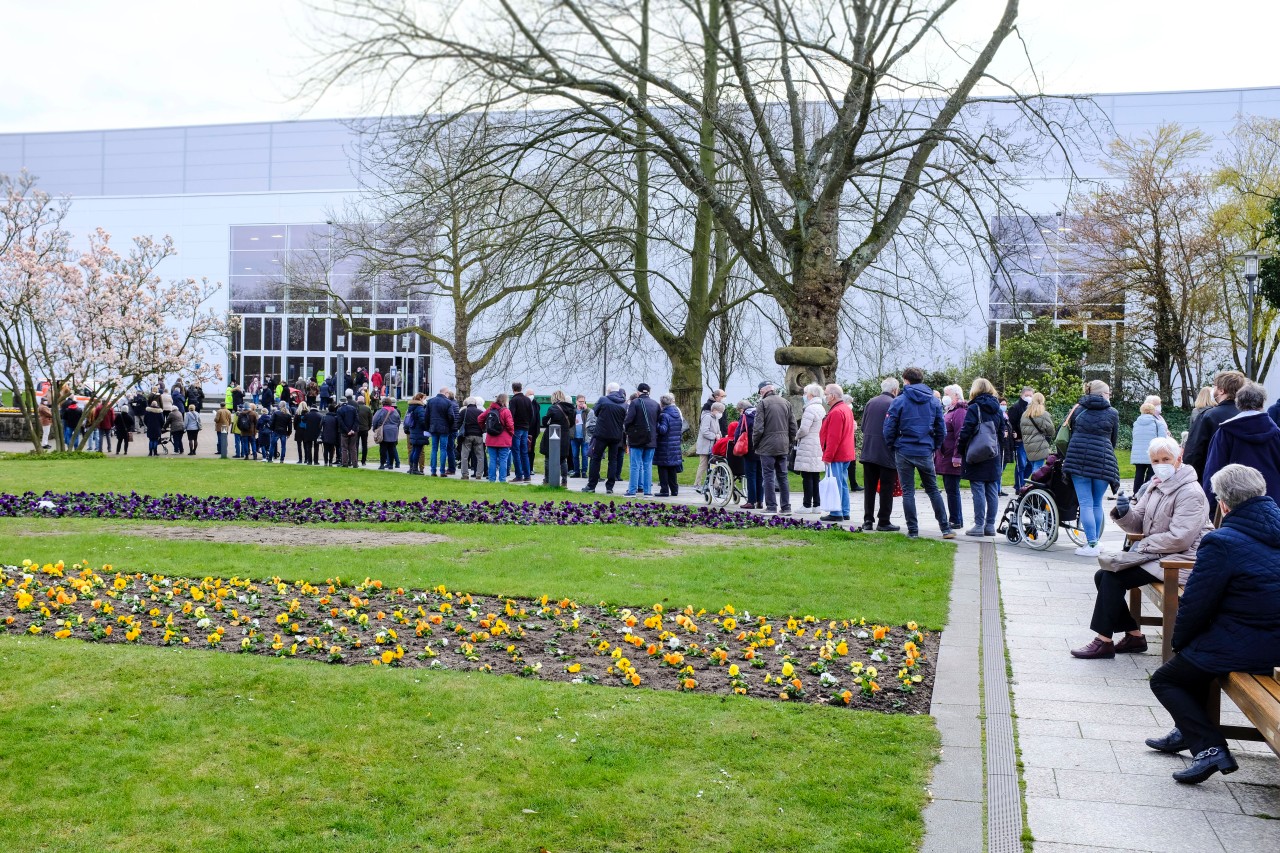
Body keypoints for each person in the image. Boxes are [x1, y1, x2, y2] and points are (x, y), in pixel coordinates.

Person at [1144, 464, 1280, 785]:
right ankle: (1187, 732)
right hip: (1270, 639)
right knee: (1199, 656)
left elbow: (1195, 604)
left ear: (1223, 504)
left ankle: (1209, 748)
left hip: (1251, 643)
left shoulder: (1222, 541)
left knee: (1166, 679)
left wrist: (1179, 642)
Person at [1070, 436, 1212, 660]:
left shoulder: (1190, 492)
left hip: (1180, 560)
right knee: (1103, 575)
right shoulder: (1156, 485)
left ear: (1179, 458)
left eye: (1166, 459)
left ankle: (1103, 641)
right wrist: (1125, 512)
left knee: (1110, 578)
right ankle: (1134, 636)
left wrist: (1143, 546)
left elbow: (1180, 539)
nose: (1161, 464)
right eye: (1156, 460)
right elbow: (1138, 522)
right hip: (1159, 554)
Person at [884, 367, 955, 540]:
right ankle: (945, 528)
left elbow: (889, 428)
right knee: (933, 490)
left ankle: (913, 531)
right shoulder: (934, 401)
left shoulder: (899, 401)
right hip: (924, 449)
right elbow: (941, 430)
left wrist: (893, 445)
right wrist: (933, 446)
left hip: (904, 449)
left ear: (906, 381)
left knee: (908, 492)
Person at [1062, 380, 1120, 557]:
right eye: (1108, 393)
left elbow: (1067, 434)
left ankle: (1092, 543)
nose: (1109, 396)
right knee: (1096, 503)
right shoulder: (1113, 413)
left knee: (1085, 503)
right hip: (1103, 460)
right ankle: (1095, 542)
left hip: (1078, 459)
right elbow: (1113, 440)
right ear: (1102, 394)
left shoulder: (1078, 409)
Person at [1202, 382, 1280, 505]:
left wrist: (1210, 507)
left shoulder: (1225, 432)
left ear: (1238, 403)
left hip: (1235, 501)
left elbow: (1213, 469)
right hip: (1273, 501)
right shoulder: (1276, 432)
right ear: (1262, 402)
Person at [957, 378, 1006, 537]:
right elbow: (1001, 433)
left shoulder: (974, 408)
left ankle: (978, 525)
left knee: (978, 489)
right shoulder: (998, 409)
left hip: (976, 453)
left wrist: (961, 448)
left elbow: (966, 431)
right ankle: (990, 525)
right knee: (992, 489)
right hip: (993, 454)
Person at [1183, 370, 1247, 483]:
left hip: (1214, 479)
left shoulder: (1208, 416)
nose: (1214, 390)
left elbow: (1194, 452)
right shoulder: (1249, 415)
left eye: (1215, 386)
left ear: (1221, 390)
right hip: (1246, 480)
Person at [859, 378, 900, 532]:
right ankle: (884, 520)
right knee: (886, 487)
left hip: (869, 450)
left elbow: (863, 426)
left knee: (869, 488)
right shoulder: (894, 403)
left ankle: (867, 520)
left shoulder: (870, 402)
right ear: (895, 390)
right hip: (886, 452)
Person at [752, 381, 796, 513]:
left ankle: (771, 506)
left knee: (768, 476)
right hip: (783, 445)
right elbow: (793, 426)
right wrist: (789, 443)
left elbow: (758, 428)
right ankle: (786, 506)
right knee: (783, 476)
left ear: (762, 391)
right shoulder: (786, 403)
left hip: (767, 447)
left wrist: (755, 443)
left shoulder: (763, 404)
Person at [818, 383, 856, 523]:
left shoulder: (835, 412)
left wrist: (827, 456)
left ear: (833, 396)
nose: (825, 396)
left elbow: (833, 438)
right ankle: (845, 511)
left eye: (826, 394)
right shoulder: (845, 409)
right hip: (846, 453)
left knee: (836, 483)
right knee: (842, 482)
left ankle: (836, 512)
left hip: (837, 454)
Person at [935, 384, 968, 532]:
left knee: (952, 489)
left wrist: (957, 457)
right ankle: (956, 518)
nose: (945, 397)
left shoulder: (960, 411)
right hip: (945, 456)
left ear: (956, 396)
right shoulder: (950, 410)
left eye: (947, 394)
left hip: (951, 457)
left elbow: (960, 435)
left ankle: (955, 519)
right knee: (950, 489)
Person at [583, 383, 627, 494]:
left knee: (595, 459)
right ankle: (610, 487)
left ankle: (591, 485)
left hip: (601, 434)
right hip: (616, 435)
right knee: (613, 461)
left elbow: (596, 412)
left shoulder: (603, 400)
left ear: (609, 390)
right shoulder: (624, 403)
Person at [792, 387, 826, 514]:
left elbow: (804, 429)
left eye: (805, 393)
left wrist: (796, 435)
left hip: (808, 444)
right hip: (818, 443)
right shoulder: (821, 408)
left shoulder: (810, 409)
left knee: (807, 476)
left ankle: (806, 505)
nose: (804, 395)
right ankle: (817, 504)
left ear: (811, 395)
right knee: (815, 476)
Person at [624, 383, 661, 497]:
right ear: (649, 391)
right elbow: (658, 421)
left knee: (635, 465)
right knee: (647, 465)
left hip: (637, 439)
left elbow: (628, 420)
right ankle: (647, 491)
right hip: (651, 439)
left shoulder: (635, 403)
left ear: (638, 392)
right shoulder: (655, 404)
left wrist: (628, 431)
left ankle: (632, 491)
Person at [1130, 395, 1169, 491]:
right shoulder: (1157, 423)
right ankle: (1146, 491)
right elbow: (1162, 439)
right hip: (1151, 453)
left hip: (1138, 454)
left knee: (1138, 474)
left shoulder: (1136, 423)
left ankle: (1136, 493)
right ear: (1152, 411)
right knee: (1151, 474)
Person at [540, 390, 576, 486]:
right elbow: (572, 424)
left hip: (552, 435)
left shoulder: (553, 408)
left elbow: (545, 422)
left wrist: (545, 419)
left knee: (548, 458)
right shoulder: (571, 409)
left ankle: (547, 479)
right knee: (563, 459)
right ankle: (564, 481)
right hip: (565, 435)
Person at [653, 393, 684, 497]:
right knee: (672, 469)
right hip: (675, 445)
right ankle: (674, 490)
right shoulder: (677, 413)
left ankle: (664, 490)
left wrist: (655, 423)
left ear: (662, 403)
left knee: (663, 468)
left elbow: (663, 430)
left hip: (664, 445)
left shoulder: (664, 415)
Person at [734, 400, 763, 509]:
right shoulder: (761, 413)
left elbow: (739, 432)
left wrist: (736, 442)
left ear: (742, 409)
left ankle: (751, 501)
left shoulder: (745, 416)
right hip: (762, 448)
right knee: (761, 476)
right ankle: (760, 501)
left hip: (749, 448)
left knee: (751, 475)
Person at [1006, 386, 1035, 490]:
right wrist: (1016, 435)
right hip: (1020, 440)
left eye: (1030, 395)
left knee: (1031, 464)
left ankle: (1022, 482)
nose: (1028, 397)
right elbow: (1011, 424)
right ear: (1022, 395)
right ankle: (1020, 486)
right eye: (1026, 395)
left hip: (1030, 441)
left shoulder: (1033, 408)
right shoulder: (1015, 408)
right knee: (1021, 464)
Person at [1020, 392, 1055, 476]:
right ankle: (1035, 487)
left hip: (1028, 445)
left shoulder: (1025, 414)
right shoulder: (1043, 414)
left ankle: (1031, 485)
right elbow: (1051, 430)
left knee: (1033, 466)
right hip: (1040, 445)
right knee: (1038, 469)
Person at [483, 393, 516, 482]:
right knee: (503, 460)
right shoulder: (506, 411)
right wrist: (511, 433)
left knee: (492, 460)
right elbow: (510, 425)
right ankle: (502, 479)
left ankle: (492, 479)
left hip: (491, 439)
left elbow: (480, 418)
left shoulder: (490, 409)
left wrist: (485, 428)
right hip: (504, 440)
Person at [694, 401, 725, 494]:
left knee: (712, 465)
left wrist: (719, 435)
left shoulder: (715, 418)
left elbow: (718, 430)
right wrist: (715, 436)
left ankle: (715, 483)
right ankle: (697, 483)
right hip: (705, 445)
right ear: (714, 410)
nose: (721, 414)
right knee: (703, 465)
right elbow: (705, 431)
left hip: (712, 445)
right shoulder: (707, 417)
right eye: (720, 411)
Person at [426, 386, 456, 477]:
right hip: (444, 429)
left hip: (434, 428)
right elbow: (451, 416)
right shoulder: (447, 402)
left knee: (434, 449)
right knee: (443, 449)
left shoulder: (430, 401)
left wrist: (428, 427)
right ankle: (442, 471)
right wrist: (450, 426)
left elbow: (426, 416)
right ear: (446, 393)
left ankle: (433, 470)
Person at [509, 382, 534, 483]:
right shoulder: (527, 400)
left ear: (513, 389)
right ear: (521, 388)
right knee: (524, 452)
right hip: (525, 428)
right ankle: (527, 475)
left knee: (516, 451)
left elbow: (511, 415)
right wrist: (527, 424)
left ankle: (519, 475)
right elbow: (531, 414)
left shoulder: (514, 400)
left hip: (516, 428)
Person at [457, 397, 485, 479]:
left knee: (465, 456)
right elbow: (483, 424)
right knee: (480, 456)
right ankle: (479, 474)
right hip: (478, 436)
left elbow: (458, 423)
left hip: (467, 435)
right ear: (475, 403)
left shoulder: (464, 411)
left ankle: (465, 474)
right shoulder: (480, 412)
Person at [371, 398, 401, 470]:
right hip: (393, 431)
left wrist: (375, 429)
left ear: (383, 403)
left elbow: (375, 420)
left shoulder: (380, 411)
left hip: (384, 431)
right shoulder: (395, 411)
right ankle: (391, 464)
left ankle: (382, 464)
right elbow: (398, 421)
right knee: (392, 448)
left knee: (383, 448)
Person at [403, 393, 429, 475]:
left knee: (413, 450)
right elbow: (422, 421)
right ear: (421, 398)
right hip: (419, 431)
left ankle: (411, 468)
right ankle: (415, 468)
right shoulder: (420, 408)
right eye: (424, 398)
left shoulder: (411, 407)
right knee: (417, 451)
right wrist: (427, 427)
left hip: (413, 430)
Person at [336, 392, 359, 468]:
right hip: (353, 431)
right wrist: (352, 429)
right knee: (353, 448)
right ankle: (355, 463)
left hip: (344, 432)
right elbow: (356, 420)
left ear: (340, 402)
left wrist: (347, 430)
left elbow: (341, 422)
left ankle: (345, 463)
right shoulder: (353, 408)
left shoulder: (339, 410)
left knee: (344, 448)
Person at [571, 396, 589, 477]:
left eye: (583, 401)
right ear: (576, 402)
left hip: (584, 436)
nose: (582, 403)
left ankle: (584, 471)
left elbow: (592, 417)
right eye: (580, 401)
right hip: (574, 436)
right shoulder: (572, 411)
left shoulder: (586, 411)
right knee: (575, 455)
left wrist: (586, 409)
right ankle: (576, 471)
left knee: (585, 455)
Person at [355, 393, 373, 466]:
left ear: (357, 400)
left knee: (355, 445)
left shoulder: (355, 408)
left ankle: (355, 459)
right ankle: (363, 461)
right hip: (365, 429)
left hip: (356, 429)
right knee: (364, 445)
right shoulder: (367, 408)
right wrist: (368, 427)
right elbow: (370, 420)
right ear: (364, 401)